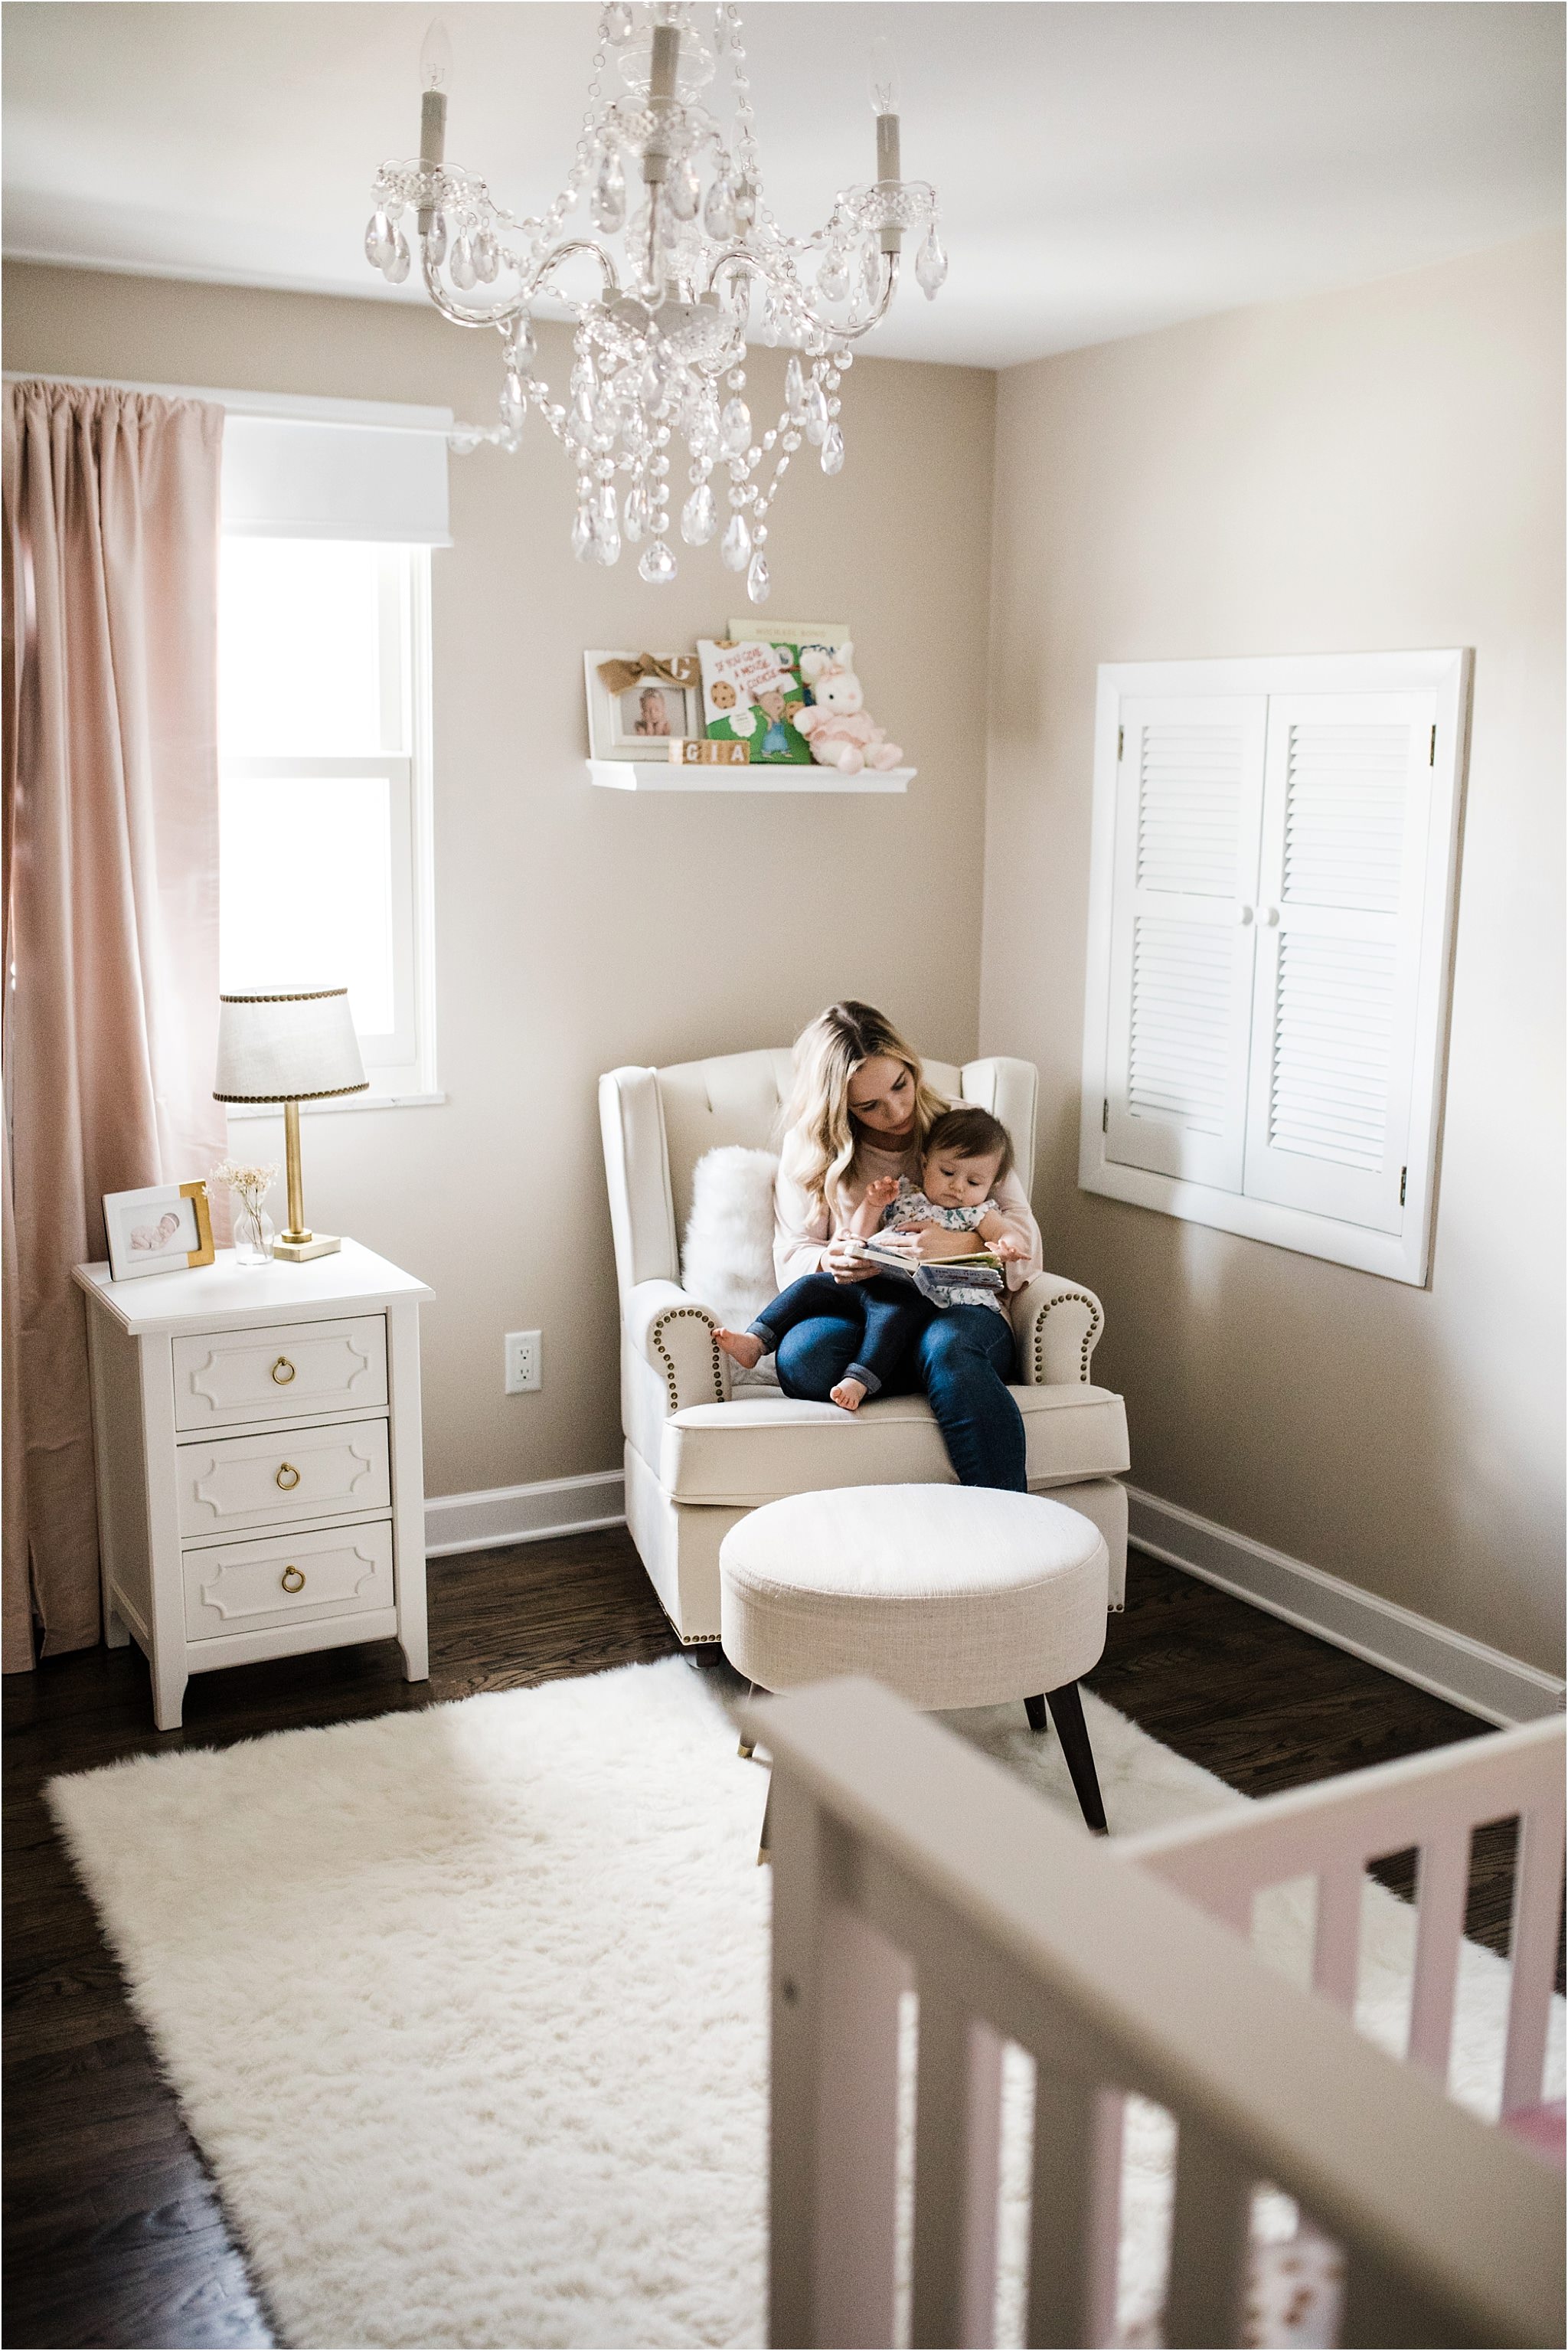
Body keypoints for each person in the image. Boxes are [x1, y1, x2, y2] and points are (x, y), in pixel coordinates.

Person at [763, 1002, 1043, 1489]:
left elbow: (1027, 1247)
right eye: (868, 1105)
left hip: (959, 1310)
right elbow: (793, 1258)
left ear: (911, 1068)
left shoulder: (963, 1125)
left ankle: (1010, 1524)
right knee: (803, 1357)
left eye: (900, 1086)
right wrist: (834, 1258)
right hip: (870, 1313)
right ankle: (936, 1373)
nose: (895, 1112)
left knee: (948, 1345)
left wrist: (958, 1242)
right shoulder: (809, 1148)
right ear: (839, 1106)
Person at [717, 1105, 1027, 1411]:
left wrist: (1006, 1247)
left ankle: (860, 1379)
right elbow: (859, 1234)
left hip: (919, 1294)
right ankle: (755, 1340)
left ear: (992, 1186)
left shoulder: (978, 1212)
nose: (958, 1187)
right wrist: (872, 1204)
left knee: (889, 1318)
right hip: (872, 1277)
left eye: (974, 1183)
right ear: (924, 1162)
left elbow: (1009, 1234)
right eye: (947, 1172)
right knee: (813, 1285)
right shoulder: (906, 1195)